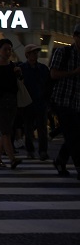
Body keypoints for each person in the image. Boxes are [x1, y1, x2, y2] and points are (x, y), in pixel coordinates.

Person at [0, 38, 23, 169]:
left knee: (4, 130)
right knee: (6, 131)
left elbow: (18, 84)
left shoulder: (13, 66)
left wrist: (18, 74)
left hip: (11, 101)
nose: (8, 52)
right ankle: (12, 159)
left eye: (10, 50)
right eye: (5, 49)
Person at [50, 23, 80, 179]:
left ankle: (61, 160)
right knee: (74, 134)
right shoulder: (63, 52)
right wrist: (73, 72)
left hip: (77, 102)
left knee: (73, 134)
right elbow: (53, 74)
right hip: (63, 100)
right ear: (75, 36)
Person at [20, 44, 51, 161]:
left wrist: (47, 101)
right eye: (33, 52)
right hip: (28, 102)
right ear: (27, 54)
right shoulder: (22, 68)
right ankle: (30, 150)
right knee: (28, 129)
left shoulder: (43, 68)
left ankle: (42, 151)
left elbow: (48, 85)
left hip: (40, 101)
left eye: (36, 52)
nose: (35, 54)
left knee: (42, 128)